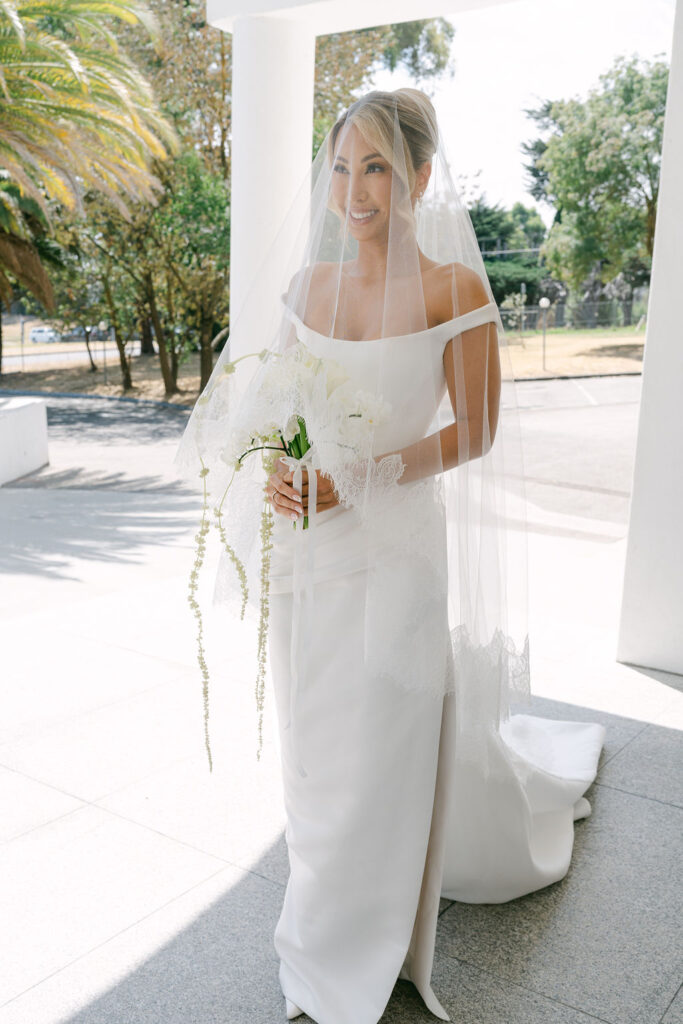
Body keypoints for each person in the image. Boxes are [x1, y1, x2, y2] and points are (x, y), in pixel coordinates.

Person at [174, 88, 605, 1024]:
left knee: (380, 753)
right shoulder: (307, 289)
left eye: (373, 166)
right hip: (309, 552)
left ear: (416, 176)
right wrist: (287, 472)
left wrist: (362, 476)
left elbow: (477, 432)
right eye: (340, 167)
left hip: (397, 548)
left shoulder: (456, 291)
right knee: (316, 755)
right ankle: (322, 914)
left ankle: (359, 948)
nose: (353, 189)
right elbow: (280, 405)